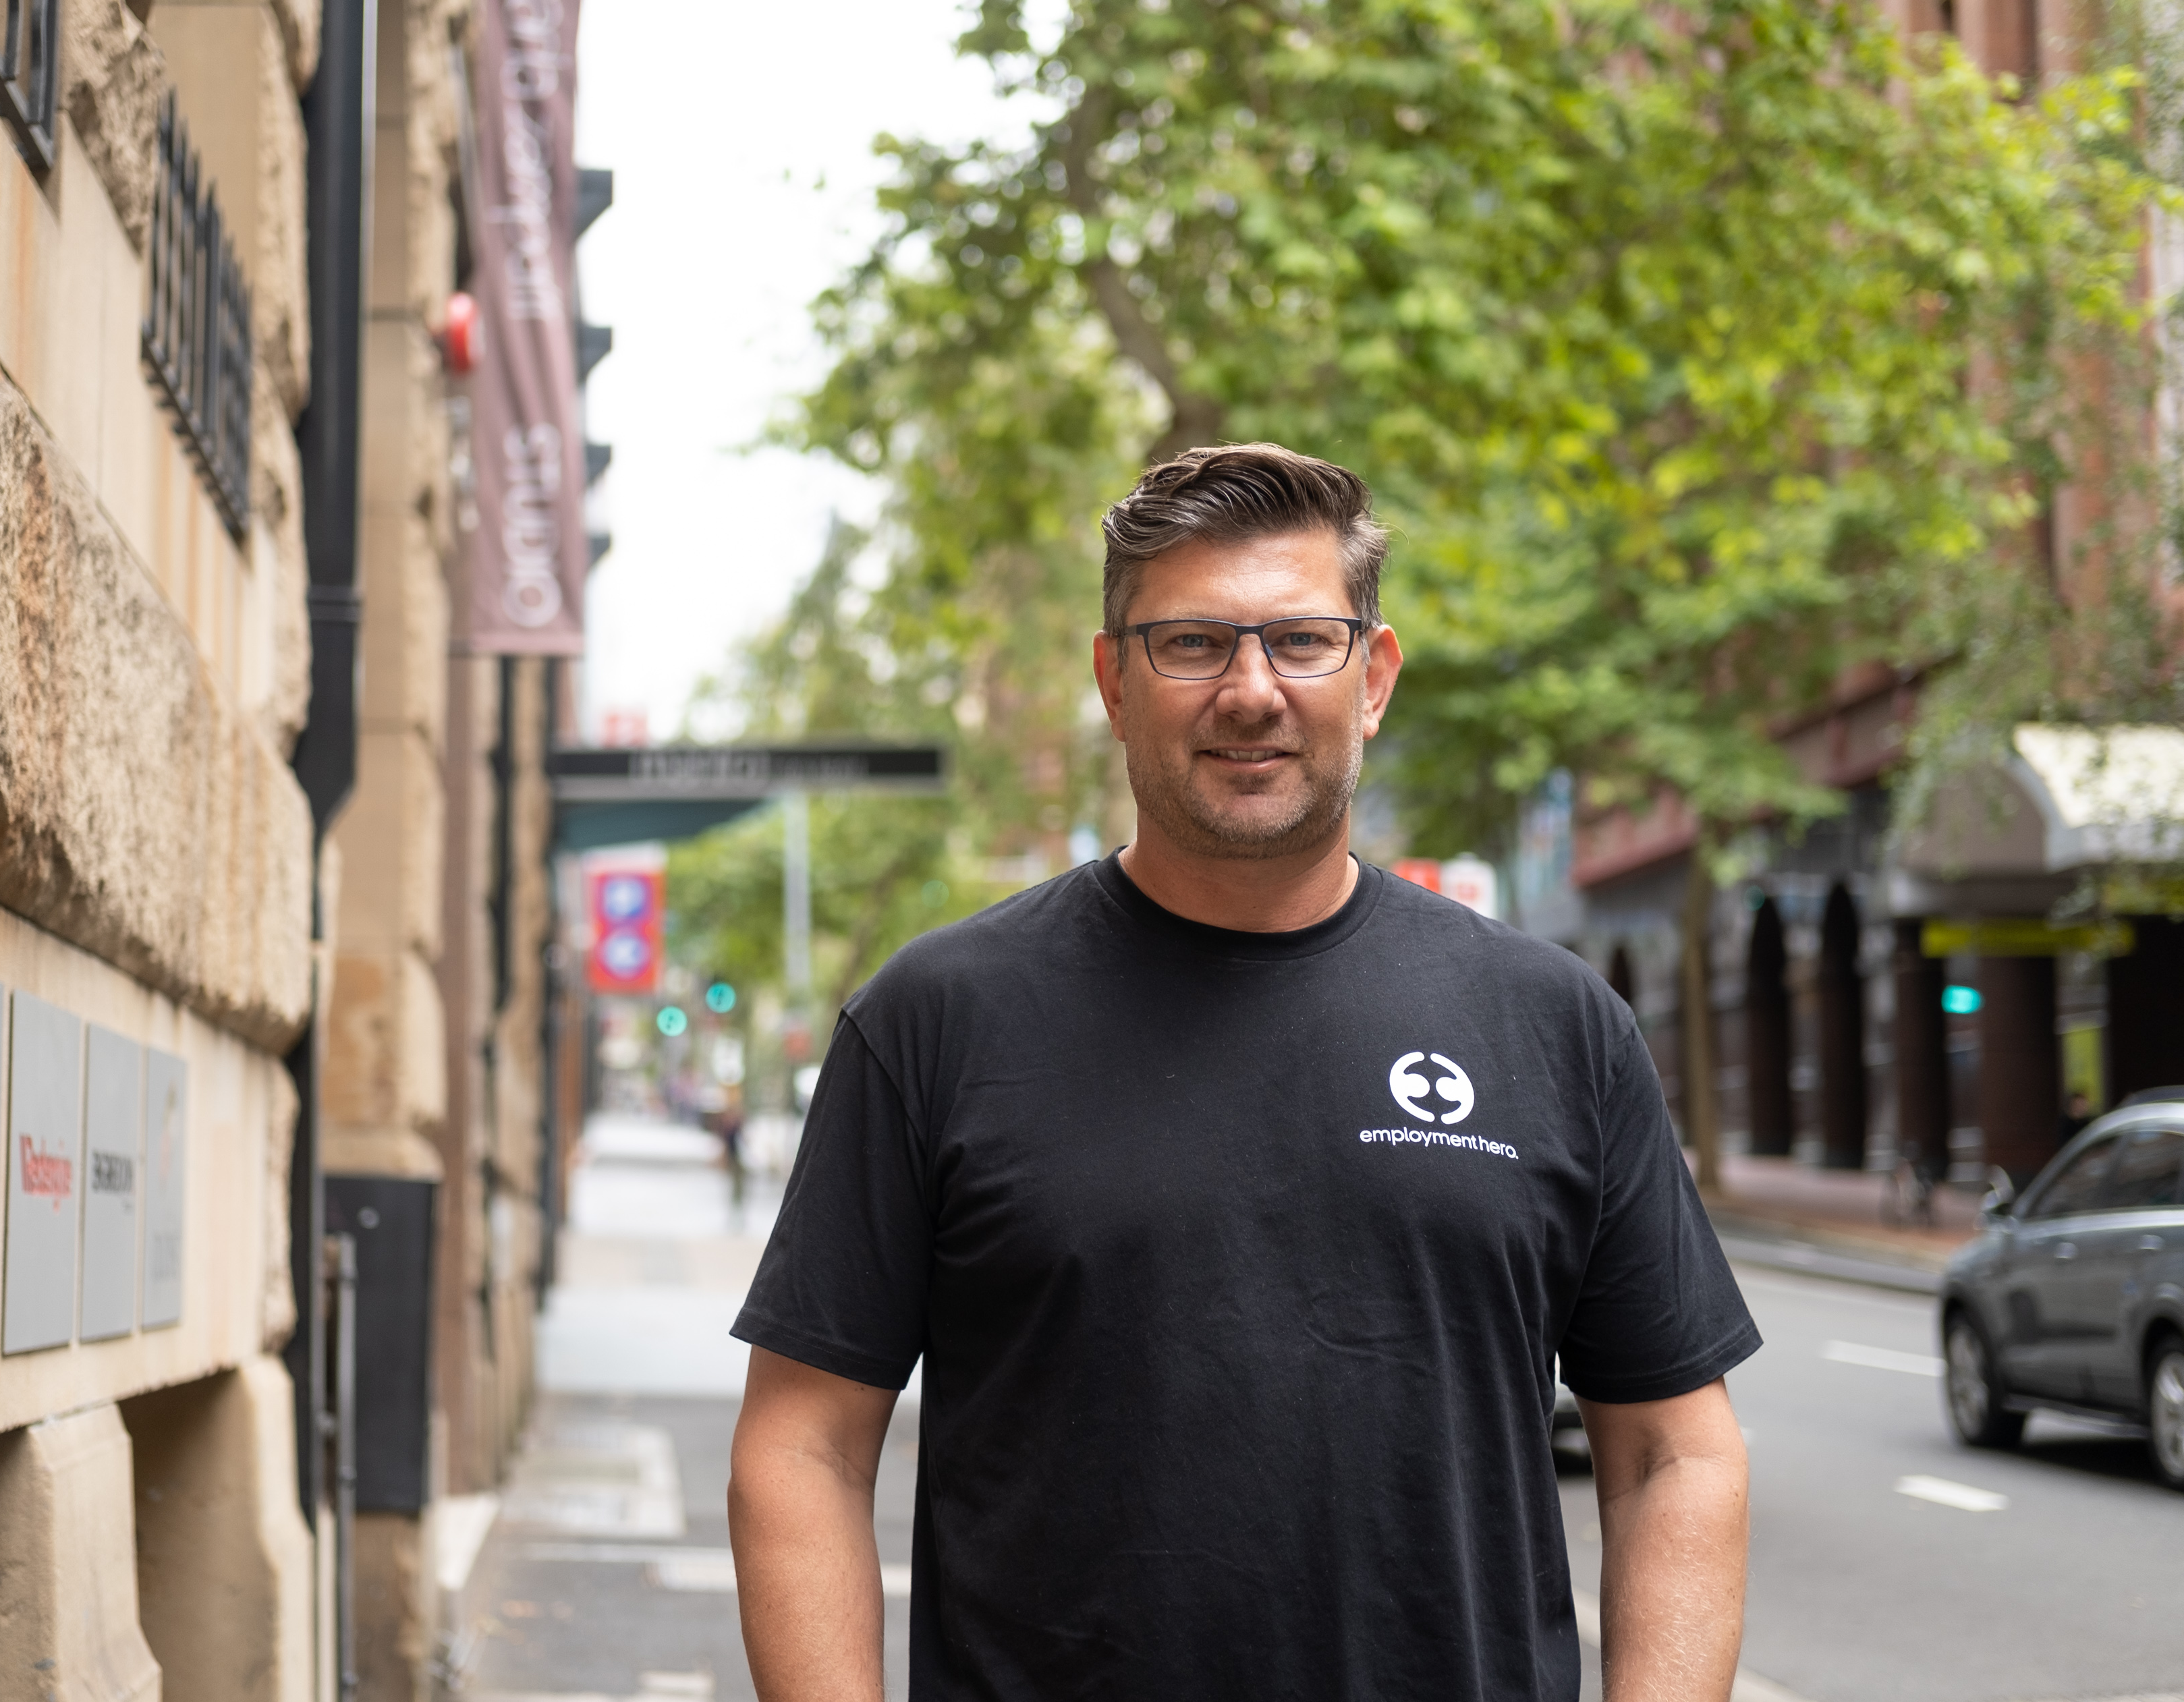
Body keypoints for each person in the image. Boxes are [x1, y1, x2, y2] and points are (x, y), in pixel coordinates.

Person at [726, 445, 1758, 1701]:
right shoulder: (936, 1022)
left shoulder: (1554, 1026)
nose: (1253, 692)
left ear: (1371, 677)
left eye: (1303, 642)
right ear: (1114, 681)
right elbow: (804, 1449)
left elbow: (1674, 1457)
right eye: (1193, 645)